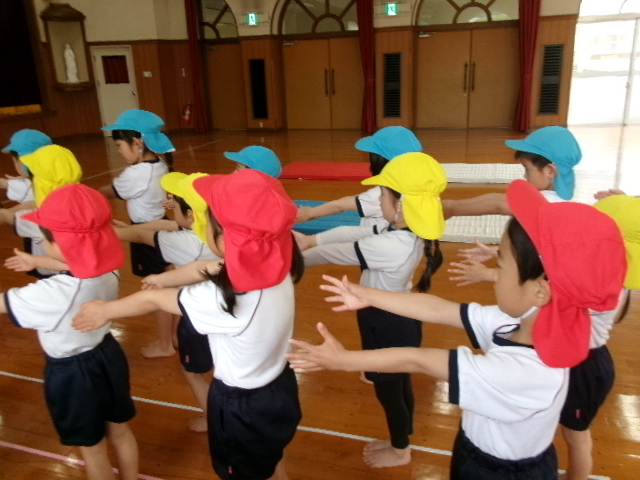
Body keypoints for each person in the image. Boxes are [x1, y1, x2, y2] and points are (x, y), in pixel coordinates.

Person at [288, 179, 627, 480]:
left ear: (540, 291)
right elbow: (440, 309)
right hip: (479, 450)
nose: (494, 274)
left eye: (500, 265)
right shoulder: (523, 322)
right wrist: (366, 294)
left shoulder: (526, 371)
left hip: (498, 471)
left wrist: (344, 360)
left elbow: (419, 360)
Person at [72, 169, 305, 480]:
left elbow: (153, 301)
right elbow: (204, 266)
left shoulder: (224, 298)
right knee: (271, 461)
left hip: (242, 406)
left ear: (225, 235)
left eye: (208, 218)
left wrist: (106, 309)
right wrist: (162, 278)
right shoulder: (274, 263)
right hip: (279, 386)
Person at [294, 152, 447, 468]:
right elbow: (352, 233)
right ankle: (404, 433)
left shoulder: (392, 245)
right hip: (399, 315)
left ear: (400, 204)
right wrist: (311, 241)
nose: (378, 199)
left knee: (388, 389)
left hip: (386, 322)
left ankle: (401, 449)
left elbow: (339, 252)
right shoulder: (403, 230)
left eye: (383, 194)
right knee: (398, 381)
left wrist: (297, 258)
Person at [0, 184, 138, 480]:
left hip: (73, 374)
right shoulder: (107, 269)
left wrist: (39, 262)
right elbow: (73, 259)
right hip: (108, 355)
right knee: (120, 431)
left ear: (58, 242)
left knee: (93, 449)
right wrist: (37, 261)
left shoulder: (52, 293)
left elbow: (4, 304)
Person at [114, 171, 219, 433]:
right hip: (223, 310)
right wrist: (130, 229)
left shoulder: (185, 242)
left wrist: (116, 231)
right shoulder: (219, 232)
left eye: (175, 205)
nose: (170, 207)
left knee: (192, 371)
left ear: (191, 215)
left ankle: (213, 417)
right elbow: (166, 226)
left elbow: (144, 237)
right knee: (220, 364)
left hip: (197, 316)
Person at [99, 108, 176, 358]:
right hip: (158, 227)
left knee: (155, 289)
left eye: (120, 145)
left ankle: (165, 344)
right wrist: (131, 230)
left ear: (137, 143)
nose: (119, 151)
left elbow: (108, 192)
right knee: (167, 281)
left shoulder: (135, 173)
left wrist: (81, 196)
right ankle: (174, 337)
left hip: (147, 236)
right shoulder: (160, 164)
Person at [443, 126, 581, 219]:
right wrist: (452, 205)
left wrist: (452, 209)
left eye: (527, 169)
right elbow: (497, 198)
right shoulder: (552, 195)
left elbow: (498, 205)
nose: (525, 175)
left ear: (550, 171)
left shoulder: (549, 203)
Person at [295, 126, 422, 226]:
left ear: (379, 162)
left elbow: (341, 205)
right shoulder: (420, 185)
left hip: (373, 244)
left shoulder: (383, 195)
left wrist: (310, 213)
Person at [0, 144, 82, 279]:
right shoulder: (84, 200)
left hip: (57, 273)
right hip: (84, 268)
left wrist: (6, 212)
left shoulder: (45, 217)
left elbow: (5, 216)